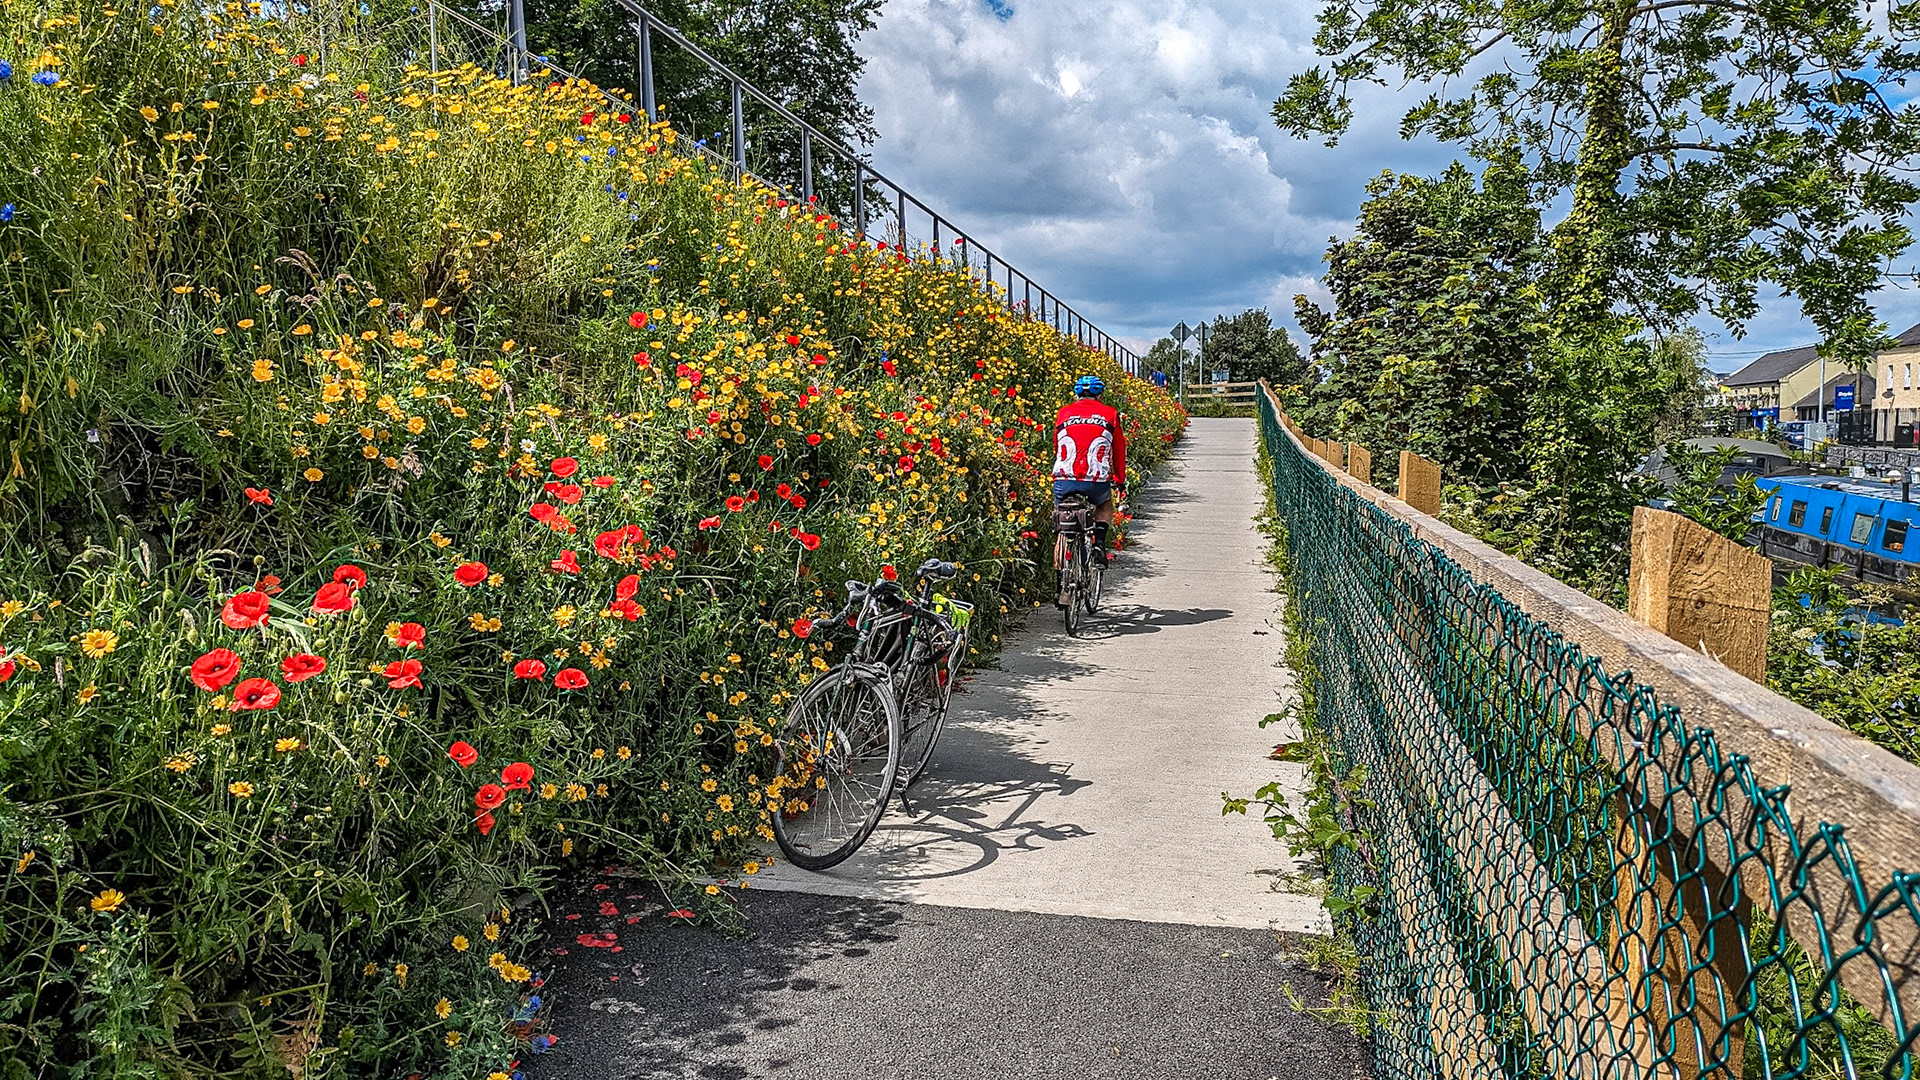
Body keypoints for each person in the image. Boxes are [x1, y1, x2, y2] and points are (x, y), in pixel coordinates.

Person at [1053, 374, 1127, 566]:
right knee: (1104, 505)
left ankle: (1062, 563)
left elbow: (1057, 447)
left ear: (1076, 395)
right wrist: (1119, 480)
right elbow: (1119, 450)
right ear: (1100, 395)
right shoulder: (1110, 414)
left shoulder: (1063, 413)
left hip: (1063, 478)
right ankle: (1099, 544)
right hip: (1096, 481)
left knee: (1062, 512)